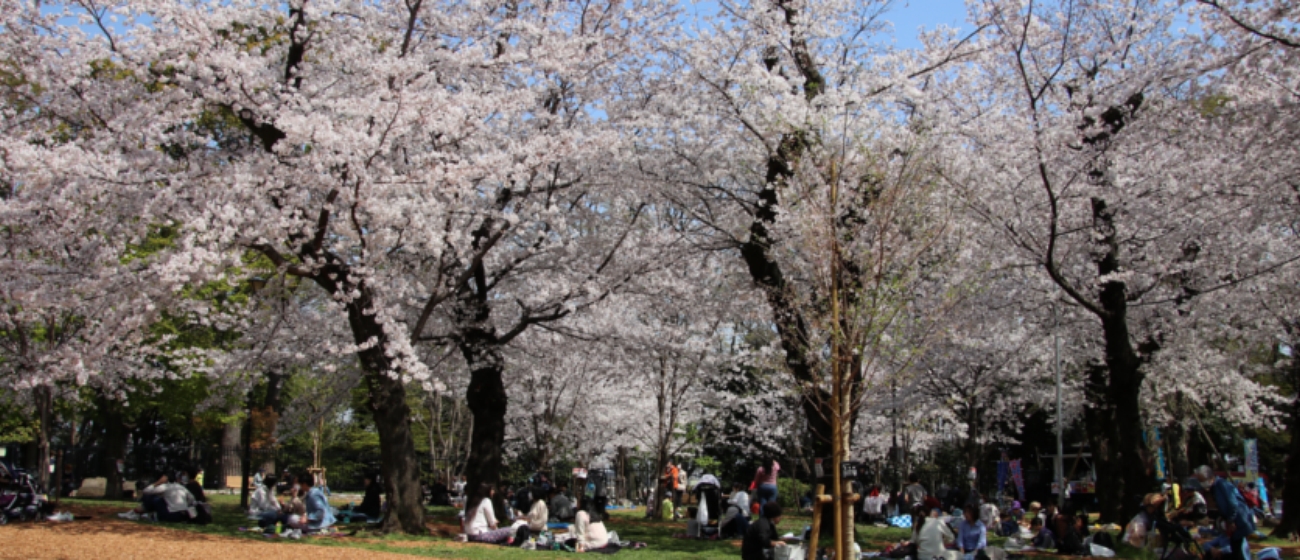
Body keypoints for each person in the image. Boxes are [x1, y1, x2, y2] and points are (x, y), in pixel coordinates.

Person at [1197, 465, 1255, 560]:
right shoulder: (1214, 488)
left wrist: (1231, 520)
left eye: (1203, 480)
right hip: (1232, 522)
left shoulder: (1222, 484)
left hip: (1239, 520)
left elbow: (1232, 503)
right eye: (1200, 481)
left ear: (1211, 478)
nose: (1202, 483)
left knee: (1238, 551)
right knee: (1235, 550)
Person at [122, 473, 197, 523]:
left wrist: (157, 483)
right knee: (160, 499)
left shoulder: (166, 487)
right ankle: (138, 513)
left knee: (152, 498)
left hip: (170, 516)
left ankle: (135, 513)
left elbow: (146, 491)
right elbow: (192, 500)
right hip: (183, 516)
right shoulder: (182, 488)